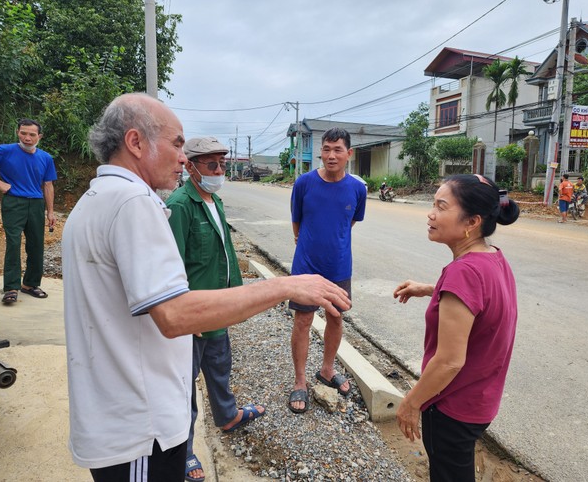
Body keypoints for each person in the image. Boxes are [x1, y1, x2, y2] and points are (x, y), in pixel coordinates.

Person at [62, 93, 350, 482]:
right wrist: (284, 286)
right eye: (177, 144)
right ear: (135, 142)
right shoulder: (134, 203)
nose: (183, 157)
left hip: (119, 415)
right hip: (140, 429)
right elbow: (174, 314)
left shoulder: (98, 198)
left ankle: (226, 413)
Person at [393, 174, 519, 482]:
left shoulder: (462, 274)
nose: (430, 213)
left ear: (471, 222)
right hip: (480, 400)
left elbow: (449, 361)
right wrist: (429, 289)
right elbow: (482, 300)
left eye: (441, 206)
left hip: (451, 408)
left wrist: (411, 404)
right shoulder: (493, 259)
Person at [166, 136, 266, 482]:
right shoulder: (181, 205)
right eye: (212, 164)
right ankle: (184, 451)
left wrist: (236, 301)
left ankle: (227, 416)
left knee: (220, 368)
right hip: (194, 315)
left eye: (223, 164)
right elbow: (173, 265)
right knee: (184, 386)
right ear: (191, 166)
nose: (220, 170)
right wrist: (184, 313)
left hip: (219, 311)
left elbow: (225, 256)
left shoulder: (215, 201)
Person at [288, 127, 367, 413]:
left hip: (339, 267)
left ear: (349, 154)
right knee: (303, 321)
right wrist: (307, 244)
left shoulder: (358, 189)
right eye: (326, 149)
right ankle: (299, 381)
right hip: (306, 267)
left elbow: (349, 223)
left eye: (337, 150)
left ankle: (327, 369)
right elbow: (297, 222)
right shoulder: (304, 184)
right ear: (321, 151)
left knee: (335, 317)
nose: (331, 155)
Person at [0, 119, 57, 304]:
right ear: (17, 132)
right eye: (23, 133)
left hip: (36, 204)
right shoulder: (4, 151)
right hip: (14, 202)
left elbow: (48, 184)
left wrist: (50, 212)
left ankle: (30, 284)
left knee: (36, 245)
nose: (27, 138)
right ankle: (11, 288)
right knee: (13, 243)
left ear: (40, 136)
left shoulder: (45, 158)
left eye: (32, 134)